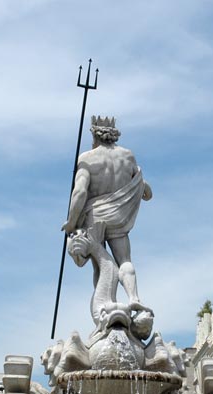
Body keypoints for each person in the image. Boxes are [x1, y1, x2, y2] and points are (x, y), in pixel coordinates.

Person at [62, 116, 152, 313]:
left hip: (95, 217)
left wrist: (71, 222)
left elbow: (80, 192)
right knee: (125, 260)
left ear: (94, 135)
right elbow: (146, 192)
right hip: (120, 217)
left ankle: (105, 303)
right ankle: (133, 297)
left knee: (100, 265)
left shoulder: (87, 158)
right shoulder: (128, 156)